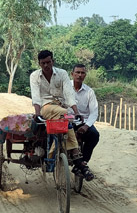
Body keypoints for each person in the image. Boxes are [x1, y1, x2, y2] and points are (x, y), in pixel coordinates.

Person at [30, 50, 94, 181]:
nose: (46, 65)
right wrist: (37, 113)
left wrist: (76, 112)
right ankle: (76, 156)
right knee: (65, 114)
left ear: (53, 61)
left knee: (65, 116)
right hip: (46, 107)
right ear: (39, 64)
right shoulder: (34, 76)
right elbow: (36, 97)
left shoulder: (62, 74)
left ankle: (56, 149)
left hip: (61, 107)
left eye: (48, 62)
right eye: (43, 63)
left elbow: (70, 95)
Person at [70, 64, 100, 166]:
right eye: (77, 72)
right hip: (67, 121)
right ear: (72, 74)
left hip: (83, 122)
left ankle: (83, 162)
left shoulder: (89, 92)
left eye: (82, 73)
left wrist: (86, 126)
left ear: (85, 75)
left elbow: (94, 112)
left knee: (94, 135)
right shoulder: (65, 88)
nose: (79, 75)